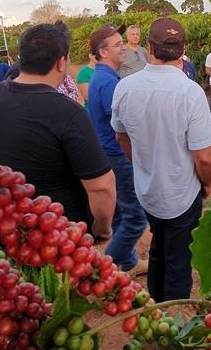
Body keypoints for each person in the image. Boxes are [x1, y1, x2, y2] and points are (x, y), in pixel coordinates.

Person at [0, 24, 116, 241]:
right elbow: (101, 186)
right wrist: (102, 229)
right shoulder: (67, 111)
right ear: (61, 62)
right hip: (54, 240)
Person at [111, 18, 211, 302]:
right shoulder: (189, 92)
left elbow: (121, 137)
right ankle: (173, 319)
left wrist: (143, 163)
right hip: (182, 191)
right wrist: (205, 183)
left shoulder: (125, 87)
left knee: (159, 243)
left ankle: (155, 305)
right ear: (183, 50)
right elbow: (204, 156)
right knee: (179, 257)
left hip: (147, 190)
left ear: (148, 48)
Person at [86, 25, 148, 274]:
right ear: (102, 52)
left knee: (122, 213)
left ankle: (129, 262)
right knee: (136, 217)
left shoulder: (104, 77)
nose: (123, 47)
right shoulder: (109, 82)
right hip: (118, 154)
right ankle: (107, 268)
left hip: (109, 152)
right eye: (118, 44)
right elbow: (126, 124)